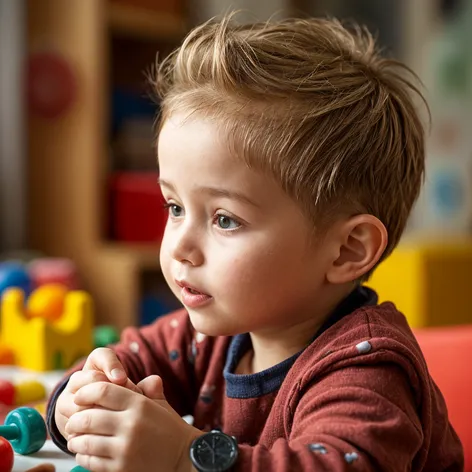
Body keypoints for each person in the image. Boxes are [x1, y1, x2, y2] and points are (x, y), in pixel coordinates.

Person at [46, 14, 464, 472]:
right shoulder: (212, 332)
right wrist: (84, 398)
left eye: (224, 219)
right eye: (175, 207)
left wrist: (183, 458)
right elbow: (130, 357)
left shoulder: (369, 371)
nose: (180, 245)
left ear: (346, 250)